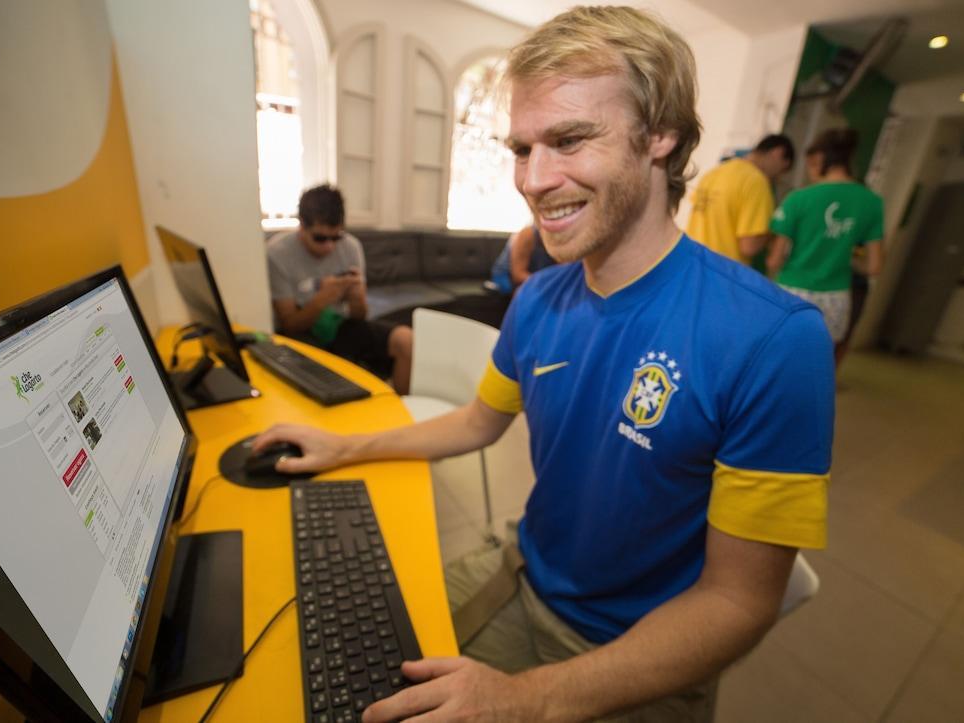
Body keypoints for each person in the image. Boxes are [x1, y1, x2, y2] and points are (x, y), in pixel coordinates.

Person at [257, 7, 834, 721]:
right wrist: (344, 446)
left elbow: (739, 601)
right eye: (522, 148)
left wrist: (527, 699)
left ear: (662, 135)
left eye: (568, 140)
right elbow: (476, 421)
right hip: (524, 565)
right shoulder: (538, 301)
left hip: (634, 647)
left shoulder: (773, 339)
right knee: (343, 667)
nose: (532, 179)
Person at [267, 184, 413, 394]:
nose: (330, 247)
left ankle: (402, 417)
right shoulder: (277, 253)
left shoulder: (351, 246)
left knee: (406, 340)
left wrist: (357, 299)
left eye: (336, 237)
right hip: (301, 334)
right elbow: (289, 325)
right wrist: (321, 300)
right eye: (320, 238)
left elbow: (360, 316)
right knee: (325, 370)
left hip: (340, 326)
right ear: (301, 226)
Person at [767, 128, 885, 366]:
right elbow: (874, 266)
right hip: (836, 297)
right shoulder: (872, 203)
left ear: (818, 159)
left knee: (775, 363)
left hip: (792, 291)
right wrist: (842, 258)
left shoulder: (799, 198)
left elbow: (774, 260)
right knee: (816, 366)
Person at [686, 134, 795, 265]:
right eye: (782, 170)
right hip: (723, 271)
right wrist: (776, 231)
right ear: (778, 153)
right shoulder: (757, 182)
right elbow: (749, 247)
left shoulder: (714, 173)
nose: (777, 177)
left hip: (693, 261)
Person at [489, 224, 557, 293]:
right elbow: (517, 275)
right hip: (506, 276)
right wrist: (545, 283)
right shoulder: (528, 234)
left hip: (537, 275)